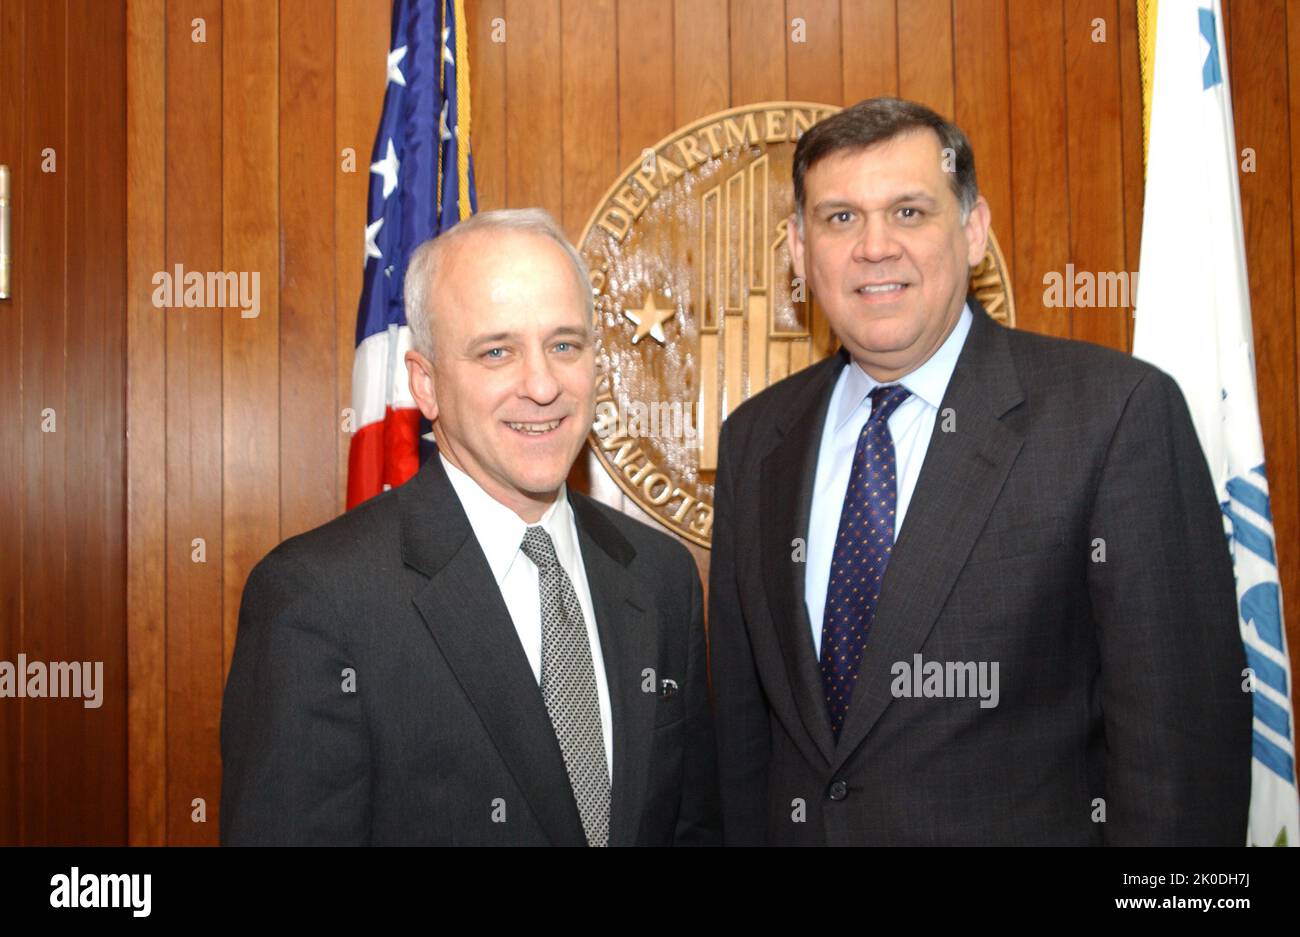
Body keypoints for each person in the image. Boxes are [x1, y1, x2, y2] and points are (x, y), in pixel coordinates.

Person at [708, 97, 1251, 845]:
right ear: (799, 250)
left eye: (908, 212)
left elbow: (1182, 760)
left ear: (972, 231)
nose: (874, 247)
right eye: (839, 218)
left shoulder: (1114, 415)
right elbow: (743, 747)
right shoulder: (755, 441)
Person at [221, 208, 719, 845]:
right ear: (425, 385)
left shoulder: (659, 575)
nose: (542, 385)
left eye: (564, 344)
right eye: (496, 352)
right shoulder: (320, 599)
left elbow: (691, 828)